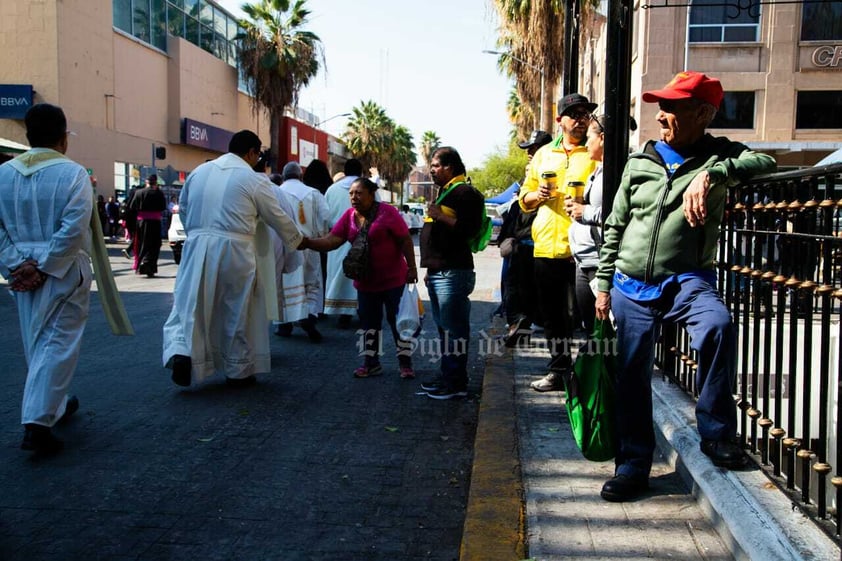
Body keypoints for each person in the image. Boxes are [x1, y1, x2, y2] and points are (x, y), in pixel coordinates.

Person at [594, 71, 776, 502]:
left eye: (671, 107)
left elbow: (764, 163)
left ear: (703, 113)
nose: (661, 116)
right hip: (629, 283)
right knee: (631, 372)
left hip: (687, 280)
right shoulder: (640, 162)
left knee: (718, 325)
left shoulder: (718, 155)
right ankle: (633, 465)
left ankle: (715, 433)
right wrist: (603, 284)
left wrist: (714, 175)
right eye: (662, 106)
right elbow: (616, 224)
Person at [162, 130, 305, 387]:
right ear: (251, 152)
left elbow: (183, 208)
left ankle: (181, 352)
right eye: (258, 154)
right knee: (236, 307)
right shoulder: (252, 179)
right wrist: (298, 240)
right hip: (235, 248)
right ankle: (237, 368)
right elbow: (277, 216)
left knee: (188, 302)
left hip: (196, 244)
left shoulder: (198, 173)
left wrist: (198, 234)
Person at [0, 104, 92, 453]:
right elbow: (73, 228)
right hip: (61, 269)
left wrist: (15, 262)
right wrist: (45, 265)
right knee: (57, 340)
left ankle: (56, 403)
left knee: (36, 338)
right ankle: (37, 422)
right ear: (63, 137)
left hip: (22, 269)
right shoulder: (72, 174)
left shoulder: (4, 173)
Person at [518, 94, 599, 392]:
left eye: (585, 114)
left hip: (583, 250)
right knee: (553, 317)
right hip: (547, 246)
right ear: (560, 120)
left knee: (587, 316)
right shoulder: (543, 155)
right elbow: (523, 199)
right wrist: (536, 196)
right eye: (574, 114)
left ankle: (589, 373)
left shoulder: (593, 151)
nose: (581, 119)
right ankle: (558, 371)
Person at [306, 178, 418, 378]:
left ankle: (405, 363)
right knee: (369, 324)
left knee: (397, 322)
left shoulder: (387, 212)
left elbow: (405, 240)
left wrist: (412, 268)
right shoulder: (349, 216)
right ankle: (371, 363)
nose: (353, 198)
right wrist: (308, 243)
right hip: (366, 282)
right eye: (351, 194)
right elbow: (332, 240)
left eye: (358, 193)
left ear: (371, 193)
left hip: (393, 280)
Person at [418, 147, 484, 400]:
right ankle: (449, 376)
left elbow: (469, 229)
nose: (431, 170)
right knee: (445, 329)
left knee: (454, 329)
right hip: (440, 272)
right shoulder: (448, 192)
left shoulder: (464, 193)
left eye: (435, 166)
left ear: (450, 167)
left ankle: (455, 383)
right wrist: (431, 268)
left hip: (454, 273)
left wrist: (438, 215)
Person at [499, 129, 553, 347]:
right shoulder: (531, 174)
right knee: (517, 287)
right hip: (522, 243)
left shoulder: (550, 172)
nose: (530, 154)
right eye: (529, 150)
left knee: (522, 288)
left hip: (539, 243)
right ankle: (519, 324)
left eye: (534, 149)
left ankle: (521, 323)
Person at [274, 161, 331, 342]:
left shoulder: (275, 192)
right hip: (308, 245)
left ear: (283, 176)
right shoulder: (313, 193)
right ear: (300, 176)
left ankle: (284, 325)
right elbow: (326, 218)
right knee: (310, 283)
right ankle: (308, 316)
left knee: (282, 285)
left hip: (282, 246)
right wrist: (323, 237)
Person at [565, 116, 605, 336]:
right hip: (584, 259)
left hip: (600, 262)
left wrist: (585, 211)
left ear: (602, 139)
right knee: (590, 330)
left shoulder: (616, 173)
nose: (586, 142)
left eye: (589, 137)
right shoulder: (596, 171)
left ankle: (605, 371)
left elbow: (620, 214)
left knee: (602, 331)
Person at [323, 159, 364, 328]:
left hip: (336, 239)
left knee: (338, 273)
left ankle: (342, 312)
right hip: (363, 239)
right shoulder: (367, 188)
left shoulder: (332, 190)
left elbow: (325, 215)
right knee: (362, 274)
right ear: (360, 172)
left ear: (345, 171)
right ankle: (362, 309)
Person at [129, 174, 167, 277]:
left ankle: (141, 265)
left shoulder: (139, 193)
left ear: (146, 182)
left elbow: (132, 207)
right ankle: (150, 266)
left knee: (142, 244)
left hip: (141, 222)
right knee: (154, 245)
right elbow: (163, 207)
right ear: (155, 183)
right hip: (155, 222)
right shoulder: (159, 193)